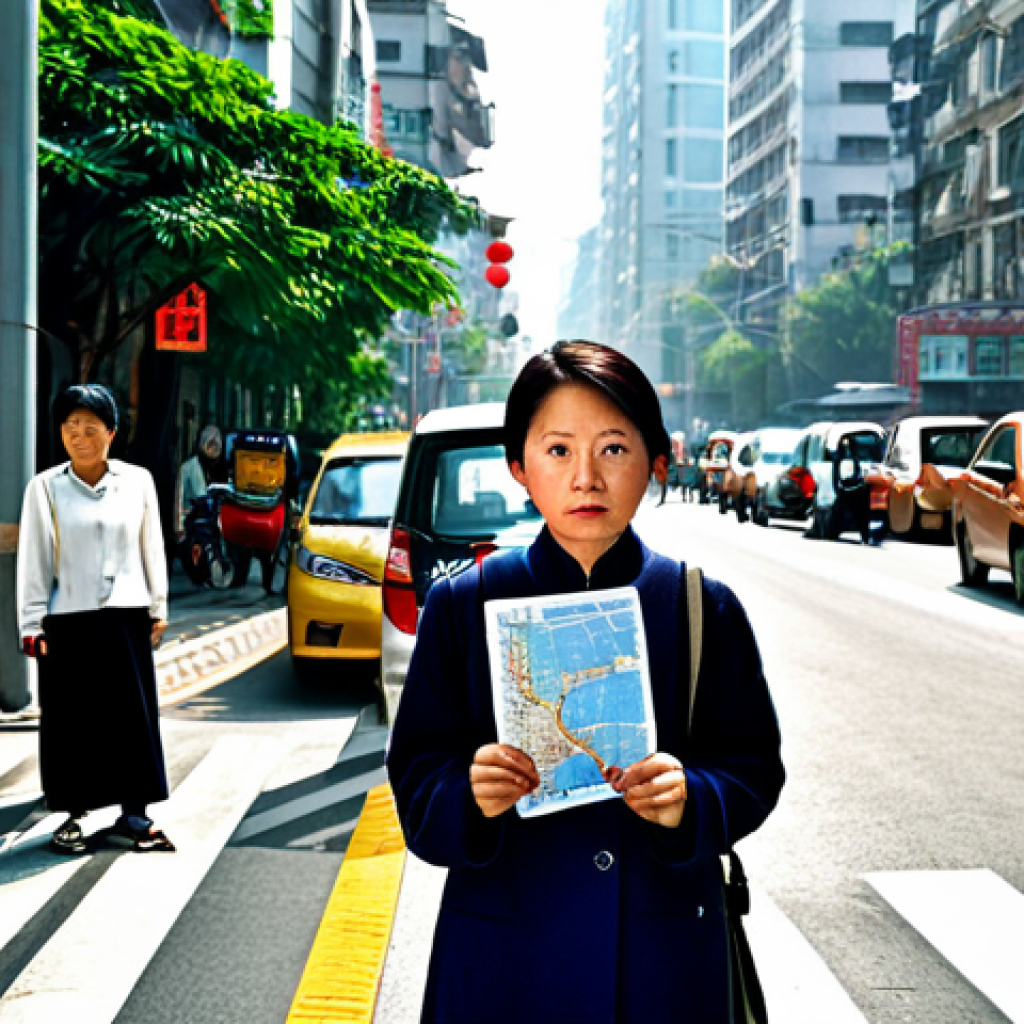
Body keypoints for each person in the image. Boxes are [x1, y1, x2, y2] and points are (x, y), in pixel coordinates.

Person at [387, 340, 785, 1024]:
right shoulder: (463, 605)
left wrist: (691, 799)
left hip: (663, 963)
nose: (586, 480)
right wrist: (467, 793)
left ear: (655, 461)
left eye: (614, 449)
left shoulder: (701, 605)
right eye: (558, 450)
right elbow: (418, 779)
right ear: (519, 466)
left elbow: (752, 770)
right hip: (505, 964)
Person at [17, 385, 175, 854]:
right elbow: (34, 560)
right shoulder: (45, 488)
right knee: (71, 723)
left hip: (126, 618)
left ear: (111, 431)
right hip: (68, 621)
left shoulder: (138, 481)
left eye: (90, 428)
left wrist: (158, 607)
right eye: (70, 429)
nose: (79, 437)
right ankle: (70, 816)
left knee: (132, 717)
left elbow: (152, 546)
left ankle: (135, 815)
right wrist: (31, 624)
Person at [175, 424, 226, 542]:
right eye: (210, 445)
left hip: (210, 529)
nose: (213, 448)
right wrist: (179, 527)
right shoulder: (187, 467)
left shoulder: (218, 470)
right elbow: (179, 500)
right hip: (190, 525)